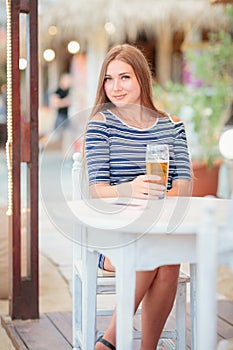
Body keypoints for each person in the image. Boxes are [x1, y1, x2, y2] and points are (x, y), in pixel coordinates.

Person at [84, 44, 192, 350]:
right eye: (108, 79)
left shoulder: (172, 126)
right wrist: (131, 189)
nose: (115, 87)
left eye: (124, 77)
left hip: (158, 232)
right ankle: (110, 342)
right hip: (114, 238)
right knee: (157, 254)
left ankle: (131, 346)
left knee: (166, 260)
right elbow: (97, 191)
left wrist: (157, 202)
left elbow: (184, 186)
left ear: (142, 78)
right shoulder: (100, 125)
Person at [50, 73, 72, 138]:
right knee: (56, 134)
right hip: (60, 116)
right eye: (67, 80)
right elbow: (54, 103)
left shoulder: (68, 91)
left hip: (67, 115)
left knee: (69, 134)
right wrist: (65, 102)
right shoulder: (58, 91)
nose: (68, 82)